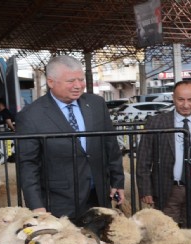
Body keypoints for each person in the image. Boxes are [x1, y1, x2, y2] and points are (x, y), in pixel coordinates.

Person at [16, 55, 125, 220]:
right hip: (59, 202)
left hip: (98, 196)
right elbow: (28, 165)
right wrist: (36, 206)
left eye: (81, 80)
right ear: (51, 82)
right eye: (71, 81)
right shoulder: (31, 115)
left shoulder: (96, 104)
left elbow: (110, 145)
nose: (78, 86)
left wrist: (117, 182)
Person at [136, 80, 191, 228]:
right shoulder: (156, 123)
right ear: (173, 98)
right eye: (181, 99)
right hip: (167, 190)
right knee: (165, 237)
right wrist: (145, 190)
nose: (186, 105)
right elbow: (143, 160)